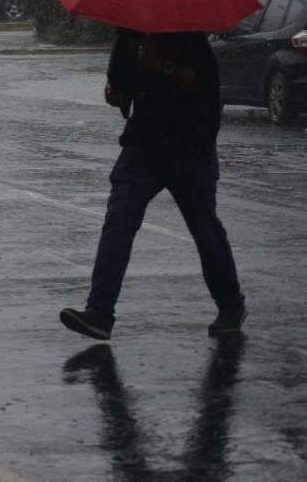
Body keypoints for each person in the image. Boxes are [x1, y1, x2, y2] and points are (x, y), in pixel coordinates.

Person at [60, 29, 246, 340]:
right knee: (119, 221)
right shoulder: (126, 37)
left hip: (190, 146)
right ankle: (100, 312)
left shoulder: (190, 37)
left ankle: (231, 304)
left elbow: (202, 85)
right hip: (144, 144)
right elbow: (121, 90)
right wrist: (115, 94)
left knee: (204, 228)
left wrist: (160, 65)